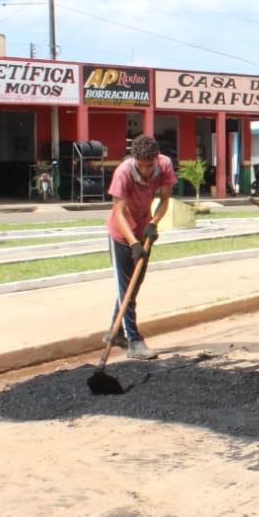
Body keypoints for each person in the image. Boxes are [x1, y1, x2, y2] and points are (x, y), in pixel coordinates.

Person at [105, 134, 175, 361]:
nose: (145, 170)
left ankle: (115, 333)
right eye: (141, 165)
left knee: (132, 288)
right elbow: (118, 212)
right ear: (134, 159)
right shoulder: (123, 173)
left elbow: (164, 199)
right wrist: (133, 243)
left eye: (149, 165)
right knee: (126, 288)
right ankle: (134, 341)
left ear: (156, 159)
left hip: (144, 230)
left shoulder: (164, 165)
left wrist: (154, 224)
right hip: (121, 233)